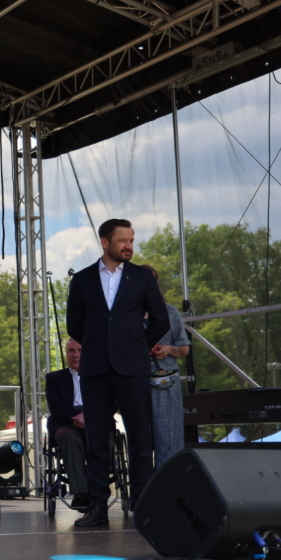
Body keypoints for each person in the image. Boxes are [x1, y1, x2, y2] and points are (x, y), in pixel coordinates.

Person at [66, 218, 168, 527]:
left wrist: (136, 346)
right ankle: (97, 506)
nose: (128, 246)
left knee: (140, 439)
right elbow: (74, 325)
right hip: (96, 369)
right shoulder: (82, 279)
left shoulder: (142, 277)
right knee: (96, 440)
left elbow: (160, 321)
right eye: (123, 240)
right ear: (105, 242)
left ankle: (142, 505)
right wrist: (98, 344)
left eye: (131, 240)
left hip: (132, 368)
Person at [140, 264, 191, 469]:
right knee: (141, 442)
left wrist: (168, 349)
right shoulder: (125, 314)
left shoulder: (169, 312)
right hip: (137, 384)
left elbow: (184, 348)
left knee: (169, 440)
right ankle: (143, 485)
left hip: (166, 386)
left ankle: (169, 483)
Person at [45, 339, 89, 511]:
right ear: (66, 354)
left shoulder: (99, 376)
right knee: (68, 436)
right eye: (71, 351)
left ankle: (98, 488)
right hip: (65, 420)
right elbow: (55, 406)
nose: (76, 355)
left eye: (80, 350)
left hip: (94, 420)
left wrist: (88, 417)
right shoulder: (54, 378)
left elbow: (108, 403)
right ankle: (81, 493)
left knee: (102, 437)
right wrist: (76, 418)